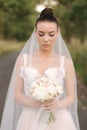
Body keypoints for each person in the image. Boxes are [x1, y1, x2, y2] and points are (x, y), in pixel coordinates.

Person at [0, 8, 80, 130]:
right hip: (29, 118)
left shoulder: (66, 63)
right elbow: (17, 94)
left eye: (51, 34)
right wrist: (35, 103)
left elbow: (71, 97)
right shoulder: (23, 60)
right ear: (35, 32)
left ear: (58, 33)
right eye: (41, 34)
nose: (46, 39)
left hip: (59, 118)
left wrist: (57, 104)